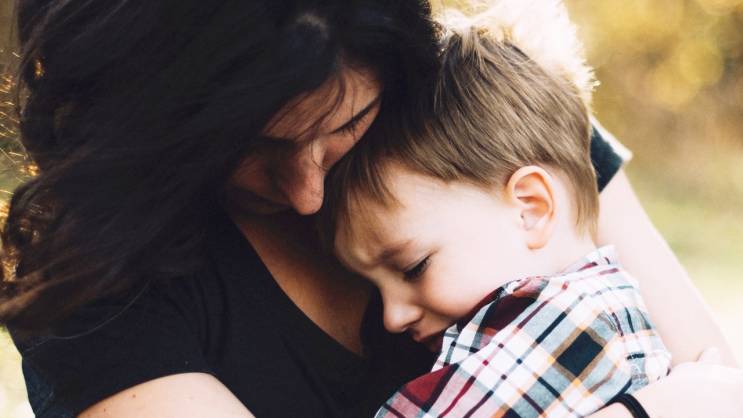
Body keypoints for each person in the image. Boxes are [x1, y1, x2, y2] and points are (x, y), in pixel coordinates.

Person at [0, 1, 740, 418]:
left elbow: (719, 387)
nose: (307, 194)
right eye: (247, 147)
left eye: (345, 125)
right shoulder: (94, 282)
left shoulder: (480, 114)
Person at [319, 6, 672, 416]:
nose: (392, 318)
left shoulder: (568, 326)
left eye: (413, 267)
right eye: (373, 287)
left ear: (530, 208)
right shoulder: (598, 309)